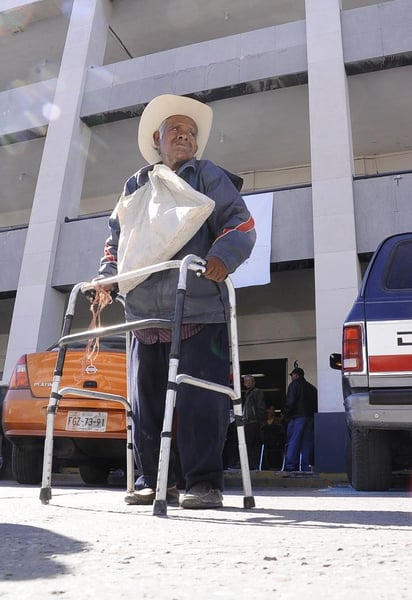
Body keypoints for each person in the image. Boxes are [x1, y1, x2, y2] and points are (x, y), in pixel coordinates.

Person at [97, 94, 256, 509]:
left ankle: (204, 485)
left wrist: (222, 256)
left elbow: (240, 222)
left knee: (201, 398)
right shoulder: (137, 186)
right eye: (175, 130)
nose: (184, 136)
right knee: (145, 401)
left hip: (199, 305)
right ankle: (155, 480)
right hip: (145, 314)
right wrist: (106, 280)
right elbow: (118, 241)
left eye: (190, 132)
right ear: (157, 139)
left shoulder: (207, 175)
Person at [282, 367, 318, 472]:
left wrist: (285, 414)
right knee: (307, 442)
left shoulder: (294, 385)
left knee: (293, 440)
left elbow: (290, 402)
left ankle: (291, 465)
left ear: (297, 375)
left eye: (292, 375)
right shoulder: (312, 388)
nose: (291, 377)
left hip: (297, 417)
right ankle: (306, 466)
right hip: (310, 418)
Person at [242, 375, 267, 470]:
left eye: (249, 381)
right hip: (249, 422)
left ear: (254, 382)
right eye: (245, 381)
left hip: (254, 422)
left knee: (252, 444)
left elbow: (261, 407)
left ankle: (253, 465)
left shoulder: (257, 392)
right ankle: (253, 465)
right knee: (252, 444)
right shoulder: (248, 394)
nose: (247, 383)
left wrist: (261, 422)